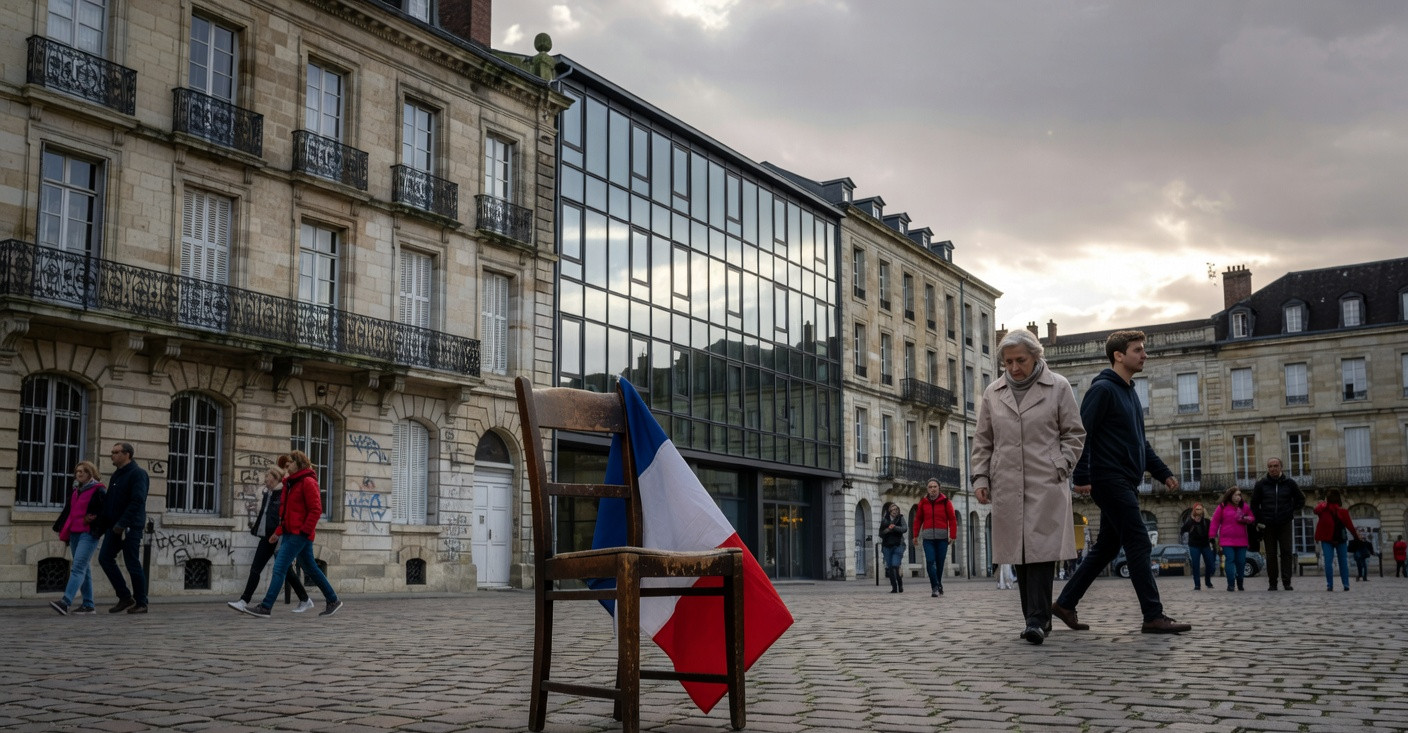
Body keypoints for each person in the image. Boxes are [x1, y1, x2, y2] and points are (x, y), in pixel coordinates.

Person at [1050, 330, 1192, 634]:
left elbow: (1140, 442)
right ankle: (1153, 615)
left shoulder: (1129, 392)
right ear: (1119, 355)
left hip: (1125, 480)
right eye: (1138, 350)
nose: (1144, 355)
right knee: (1139, 540)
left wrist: (1163, 471)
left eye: (1144, 350)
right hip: (1108, 478)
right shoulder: (1103, 389)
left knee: (1107, 547)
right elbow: (1081, 432)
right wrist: (1083, 476)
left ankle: (1065, 603)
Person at [972, 328, 1085, 644]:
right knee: (1018, 553)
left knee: (1040, 551)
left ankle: (1037, 620)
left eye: (1020, 360)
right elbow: (983, 440)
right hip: (1007, 480)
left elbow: (1074, 434)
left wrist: (1060, 464)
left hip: (1045, 480)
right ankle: (1034, 619)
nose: (1014, 367)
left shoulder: (1058, 387)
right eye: (1007, 362)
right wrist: (981, 477)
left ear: (1036, 356)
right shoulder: (993, 392)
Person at [236, 451, 342, 617]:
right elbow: (285, 513)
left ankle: (266, 607)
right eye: (285, 465)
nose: (286, 467)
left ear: (298, 464)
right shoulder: (290, 484)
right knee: (311, 568)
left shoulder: (308, 481)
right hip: (291, 533)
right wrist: (278, 532)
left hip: (299, 534)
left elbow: (316, 510)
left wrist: (304, 532)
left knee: (279, 568)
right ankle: (333, 600)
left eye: (289, 463)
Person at [228, 466, 313, 613]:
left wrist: (281, 534)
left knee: (287, 571)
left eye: (267, 477)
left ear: (273, 477)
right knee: (256, 568)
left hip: (279, 538)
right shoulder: (268, 493)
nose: (265, 480)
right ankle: (243, 601)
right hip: (267, 537)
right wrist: (257, 530)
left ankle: (305, 599)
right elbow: (264, 515)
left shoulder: (284, 494)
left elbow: (284, 517)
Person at [97, 442, 149, 614]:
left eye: (116, 452)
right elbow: (110, 503)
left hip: (129, 527)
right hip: (114, 527)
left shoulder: (138, 474)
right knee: (104, 558)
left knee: (132, 563)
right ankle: (125, 597)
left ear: (127, 454)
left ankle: (141, 602)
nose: (112, 455)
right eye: (112, 452)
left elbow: (137, 501)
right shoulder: (117, 476)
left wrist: (123, 523)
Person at [49, 462, 107, 615]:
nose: (79, 474)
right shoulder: (76, 490)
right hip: (74, 533)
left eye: (83, 471)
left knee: (78, 568)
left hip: (88, 534)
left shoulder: (99, 490)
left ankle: (65, 602)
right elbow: (69, 511)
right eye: (77, 471)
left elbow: (106, 512)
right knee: (84, 568)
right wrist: (60, 527)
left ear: (90, 473)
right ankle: (88, 605)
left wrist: (93, 521)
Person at [1249, 458, 1305, 591]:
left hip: (1284, 523)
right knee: (1271, 554)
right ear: (1267, 468)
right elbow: (1254, 505)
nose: (1273, 468)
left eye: (1275, 466)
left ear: (1281, 467)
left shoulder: (1290, 483)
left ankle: (1287, 582)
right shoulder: (1261, 484)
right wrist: (1259, 519)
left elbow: (1301, 499)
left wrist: (1290, 510)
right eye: (1270, 466)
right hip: (1268, 524)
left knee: (1286, 552)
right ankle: (1272, 583)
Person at [911, 478, 957, 597]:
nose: (932, 489)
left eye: (935, 487)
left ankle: (939, 583)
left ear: (939, 488)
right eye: (930, 487)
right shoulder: (923, 502)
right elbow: (918, 520)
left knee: (940, 563)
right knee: (930, 561)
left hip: (942, 538)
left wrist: (952, 535)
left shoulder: (946, 502)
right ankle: (935, 587)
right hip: (928, 538)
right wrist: (915, 535)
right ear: (927, 489)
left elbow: (952, 519)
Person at [1209, 487, 1255, 592]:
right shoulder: (1222, 506)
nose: (1238, 497)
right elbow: (1215, 521)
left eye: (1239, 495)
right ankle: (1230, 584)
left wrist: (1245, 519)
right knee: (1230, 560)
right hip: (1227, 540)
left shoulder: (1244, 506)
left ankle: (1240, 582)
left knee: (1241, 562)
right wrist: (1212, 535)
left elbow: (1252, 517)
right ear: (1230, 495)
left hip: (1242, 540)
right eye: (1235, 495)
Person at [1314, 488, 1357, 592]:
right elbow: (1350, 527)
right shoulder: (1343, 512)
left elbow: (1315, 510)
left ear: (1327, 499)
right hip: (1341, 539)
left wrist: (1323, 504)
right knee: (1343, 563)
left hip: (1327, 540)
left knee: (1328, 563)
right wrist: (1356, 536)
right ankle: (1346, 584)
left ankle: (1330, 585)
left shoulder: (1323, 511)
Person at [1180, 503, 1215, 591]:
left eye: (1200, 509)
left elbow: (1211, 533)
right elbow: (1183, 530)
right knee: (1196, 565)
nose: (1199, 511)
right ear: (1194, 510)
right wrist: (1191, 521)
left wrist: (1213, 543)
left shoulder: (1207, 521)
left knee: (1210, 565)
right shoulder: (1190, 520)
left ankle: (1207, 581)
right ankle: (1197, 584)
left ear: (1203, 510)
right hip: (1194, 546)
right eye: (1197, 509)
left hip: (1205, 545)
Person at [878, 502, 906, 593]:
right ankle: (894, 587)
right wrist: (888, 530)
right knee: (890, 567)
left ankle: (900, 584)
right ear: (889, 511)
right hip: (887, 546)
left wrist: (894, 527)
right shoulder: (884, 520)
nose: (895, 511)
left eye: (896, 509)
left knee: (895, 565)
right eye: (893, 509)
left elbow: (904, 529)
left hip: (898, 545)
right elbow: (881, 534)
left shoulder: (900, 518)